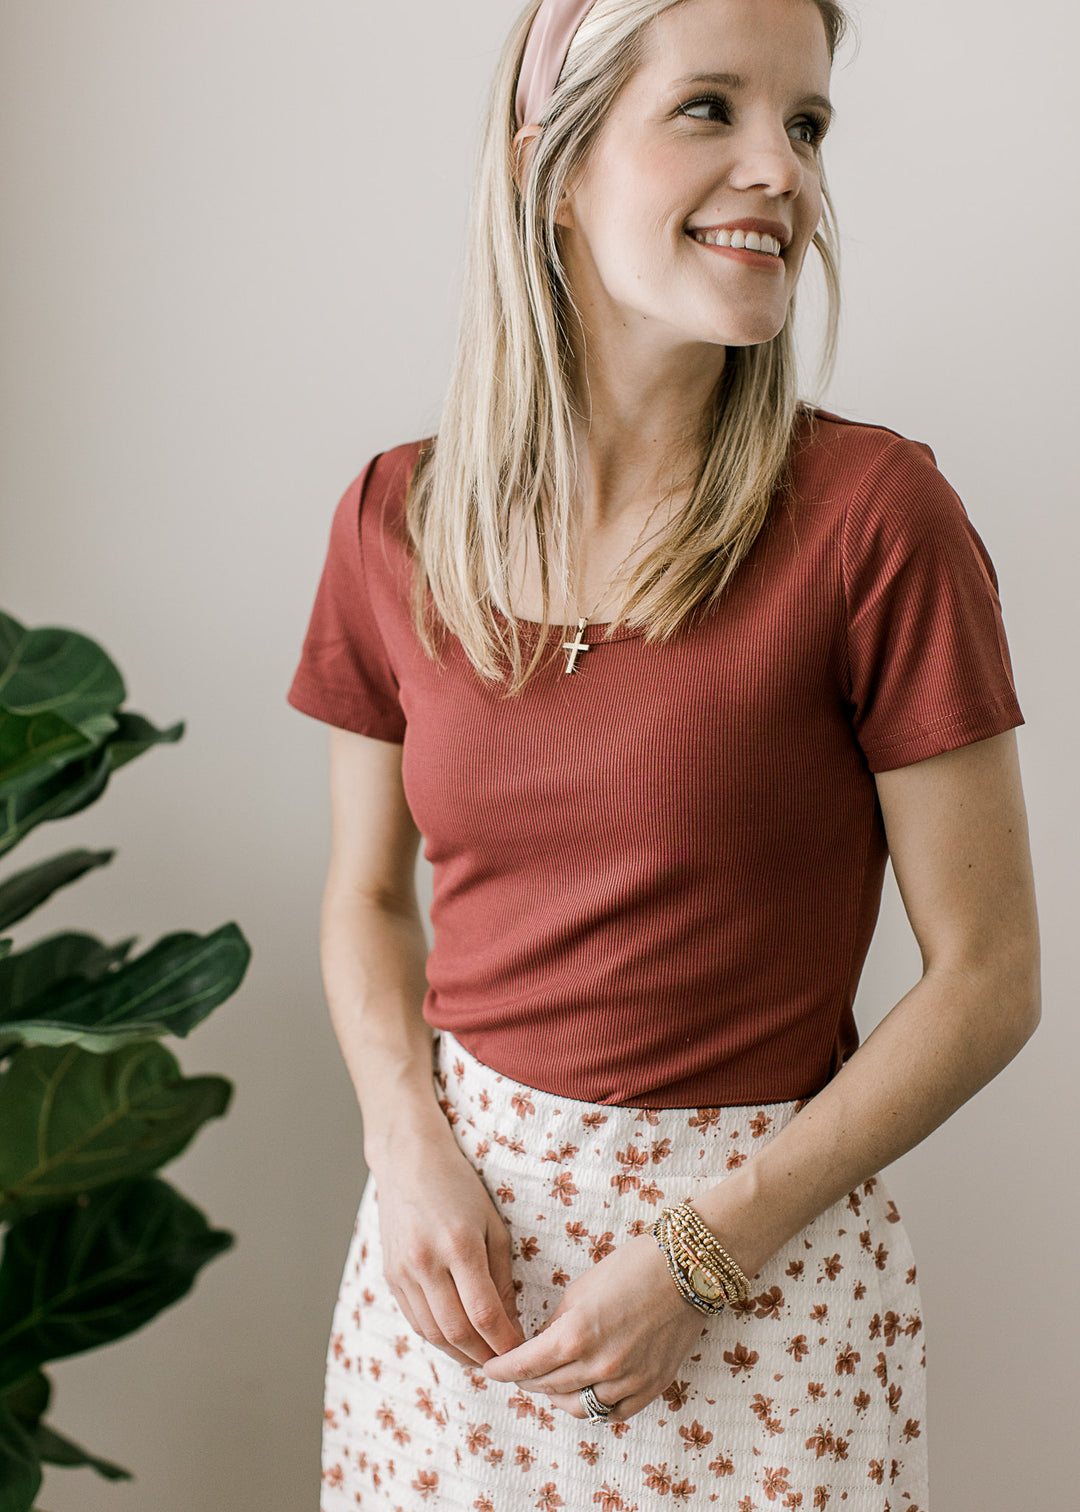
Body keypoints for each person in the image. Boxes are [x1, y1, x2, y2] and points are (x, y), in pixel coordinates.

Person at [286, 0, 1040, 1506]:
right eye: (713, 109)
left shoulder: (876, 520)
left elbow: (990, 979)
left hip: (758, 1315)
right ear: (551, 168)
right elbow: (370, 895)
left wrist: (703, 1255)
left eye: (807, 124)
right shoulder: (395, 519)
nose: (782, 167)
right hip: (449, 1299)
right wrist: (405, 1144)